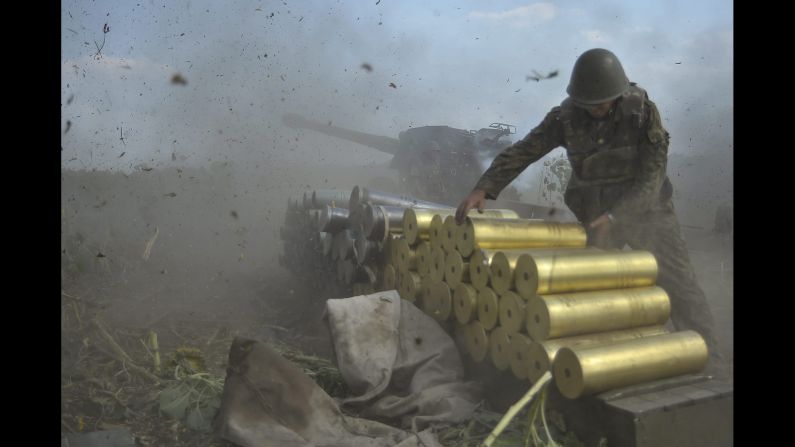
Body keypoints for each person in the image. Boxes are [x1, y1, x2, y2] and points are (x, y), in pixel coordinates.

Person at [455, 48, 726, 374]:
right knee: (593, 293)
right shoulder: (565, 118)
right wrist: (483, 187)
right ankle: (603, 364)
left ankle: (712, 363)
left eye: (602, 104)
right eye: (589, 105)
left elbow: (651, 179)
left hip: (646, 213)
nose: (596, 111)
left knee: (680, 285)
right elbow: (526, 150)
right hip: (596, 215)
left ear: (618, 95)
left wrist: (617, 217)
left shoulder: (641, 113)